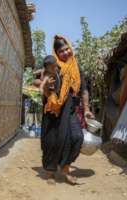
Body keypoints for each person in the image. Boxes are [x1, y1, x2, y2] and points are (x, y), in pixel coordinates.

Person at [40, 35, 94, 185]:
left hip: (70, 108)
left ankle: (65, 167)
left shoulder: (76, 68)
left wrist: (86, 109)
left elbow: (83, 90)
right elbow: (37, 79)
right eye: (61, 51)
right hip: (53, 108)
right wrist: (45, 86)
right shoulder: (52, 65)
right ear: (56, 54)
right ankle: (51, 172)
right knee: (52, 140)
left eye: (66, 49)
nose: (65, 52)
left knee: (77, 137)